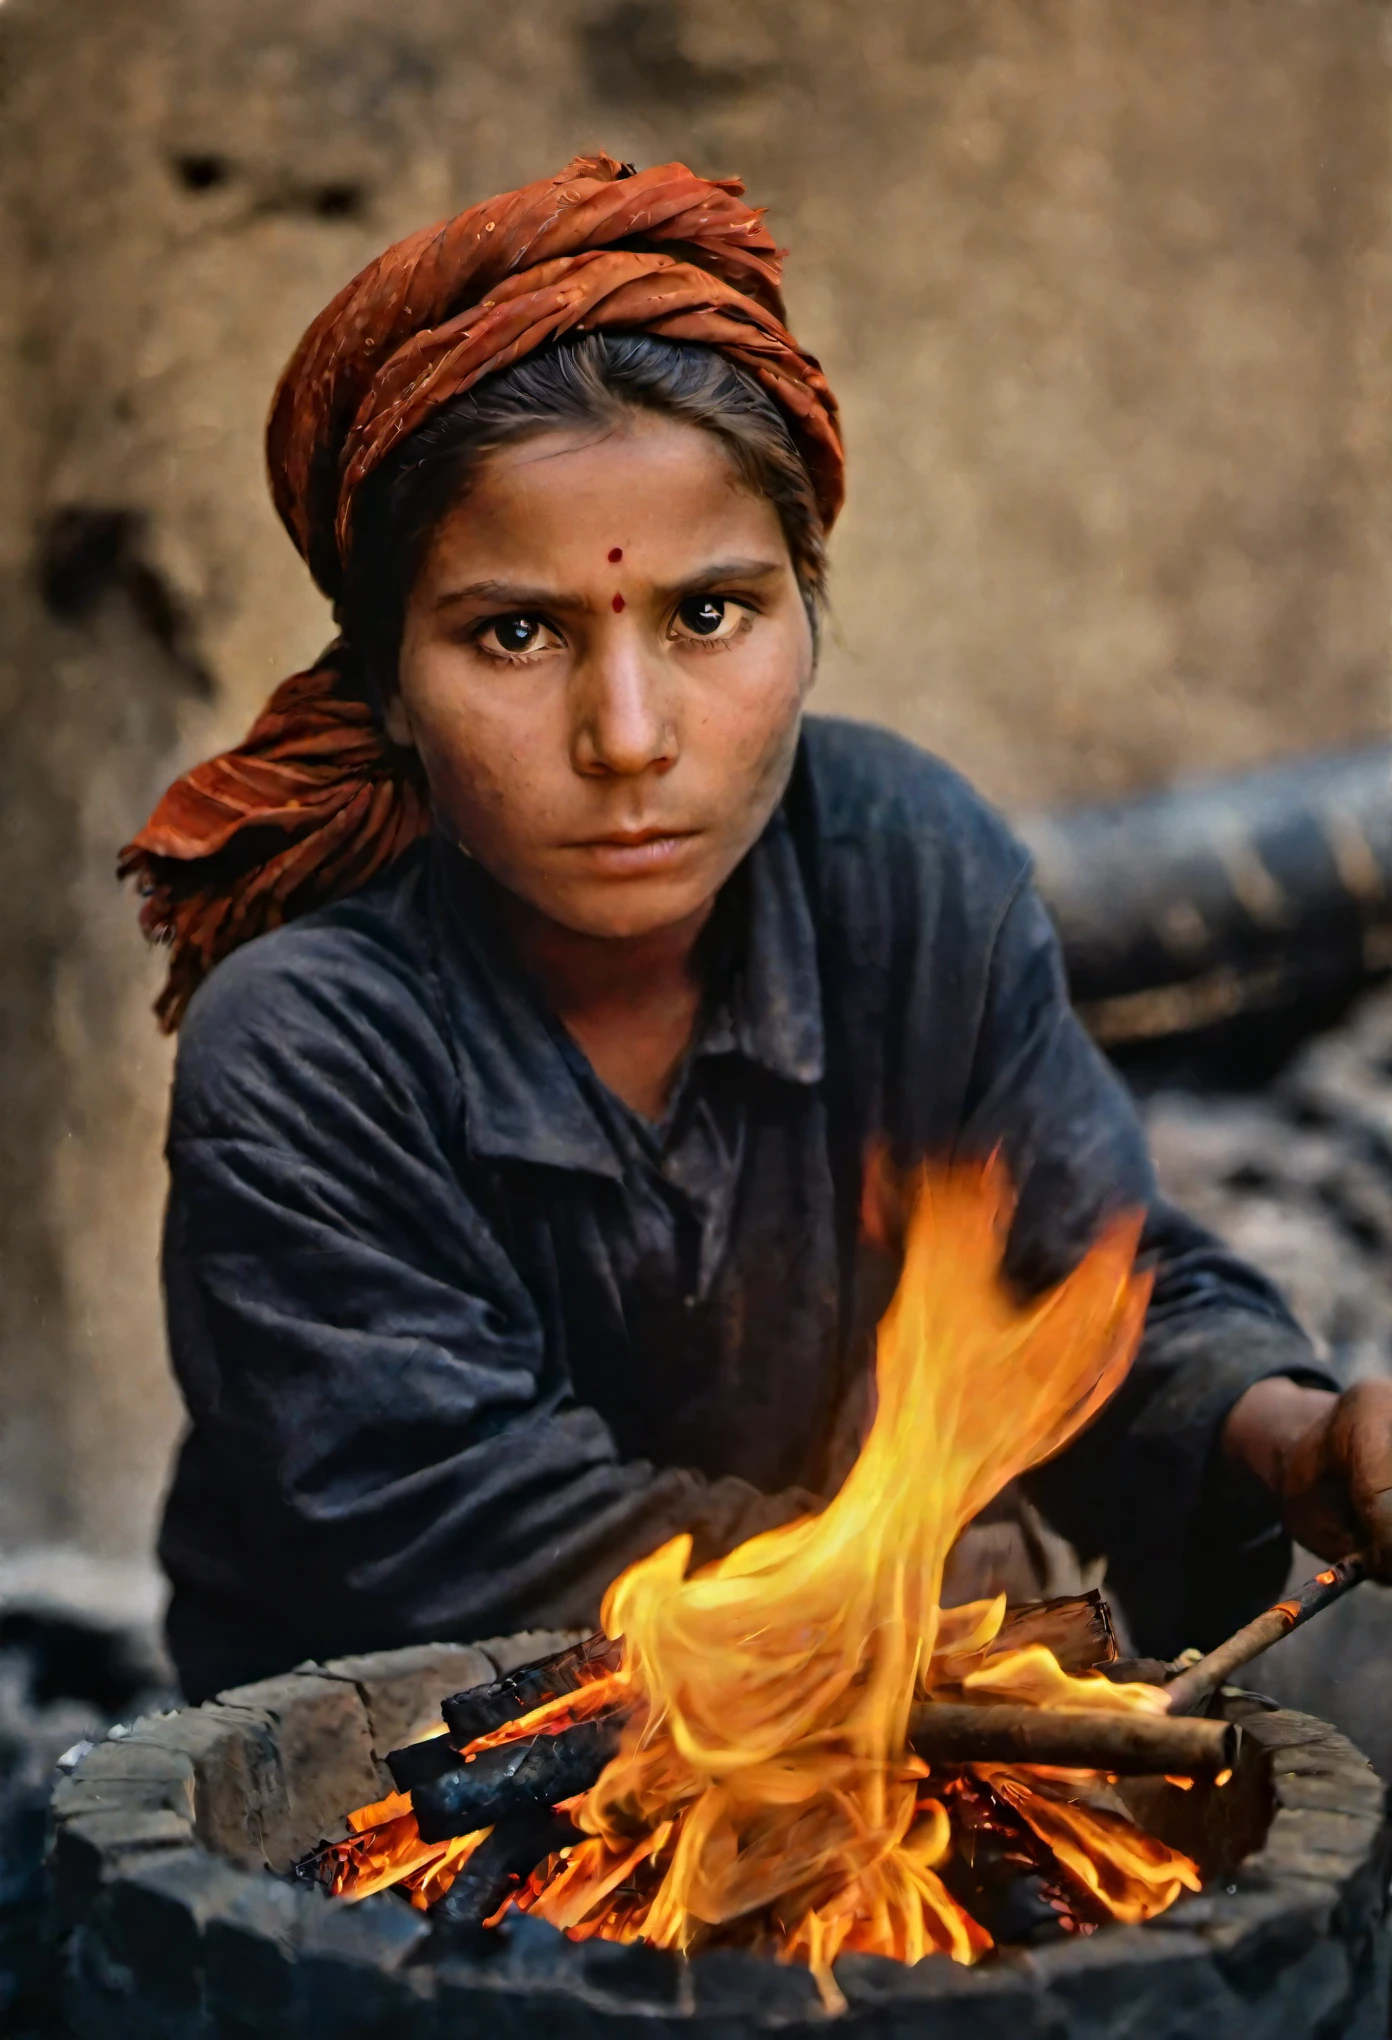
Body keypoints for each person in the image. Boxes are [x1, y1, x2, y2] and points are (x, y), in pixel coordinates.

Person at [123, 154, 1392, 1703]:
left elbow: (1094, 1281)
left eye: (707, 613)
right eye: (515, 633)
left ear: (807, 601)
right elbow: (460, 1542)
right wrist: (950, 1589)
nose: (631, 733)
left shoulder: (906, 873)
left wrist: (1283, 1435)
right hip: (423, 1812)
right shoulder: (314, 1043)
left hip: (862, 1761)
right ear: (389, 682)